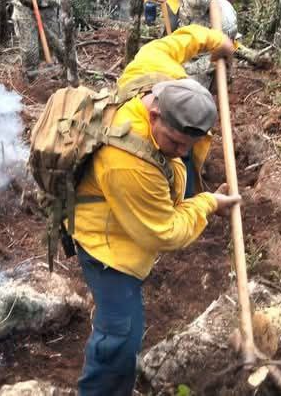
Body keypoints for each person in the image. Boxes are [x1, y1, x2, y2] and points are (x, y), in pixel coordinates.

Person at [71, 25, 240, 396]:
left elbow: (180, 39)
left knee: (176, 169)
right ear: (154, 116)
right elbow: (162, 232)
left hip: (140, 201)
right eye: (175, 141)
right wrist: (208, 203)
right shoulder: (128, 161)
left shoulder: (157, 71)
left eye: (189, 143)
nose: (181, 149)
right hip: (108, 247)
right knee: (120, 336)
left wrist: (219, 42)